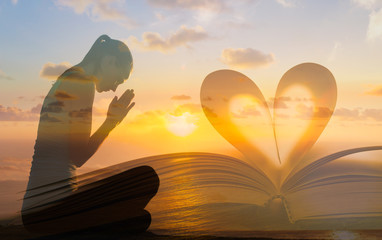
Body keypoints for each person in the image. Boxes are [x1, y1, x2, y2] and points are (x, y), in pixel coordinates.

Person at [21, 35, 159, 235]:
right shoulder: (81, 83)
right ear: (108, 61)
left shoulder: (68, 78)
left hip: (37, 212)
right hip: (51, 212)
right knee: (147, 178)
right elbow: (79, 157)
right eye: (118, 78)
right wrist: (111, 122)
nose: (115, 87)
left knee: (140, 219)